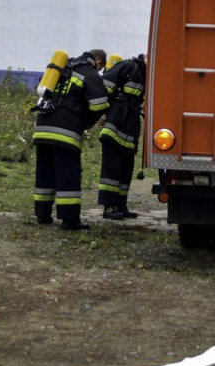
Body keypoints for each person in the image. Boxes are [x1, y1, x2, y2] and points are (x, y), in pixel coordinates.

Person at [33, 49, 109, 230]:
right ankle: (70, 219)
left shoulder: (61, 67)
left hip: (42, 127)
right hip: (65, 131)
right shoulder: (89, 73)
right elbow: (100, 103)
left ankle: (43, 214)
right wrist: (86, 122)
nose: (99, 71)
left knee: (45, 172)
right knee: (68, 174)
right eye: (101, 68)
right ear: (98, 62)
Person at [98, 54, 147, 220]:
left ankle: (121, 204)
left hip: (130, 125)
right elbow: (103, 87)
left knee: (126, 167)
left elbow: (136, 100)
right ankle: (108, 206)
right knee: (112, 167)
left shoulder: (144, 74)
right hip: (115, 122)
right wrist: (103, 112)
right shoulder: (128, 66)